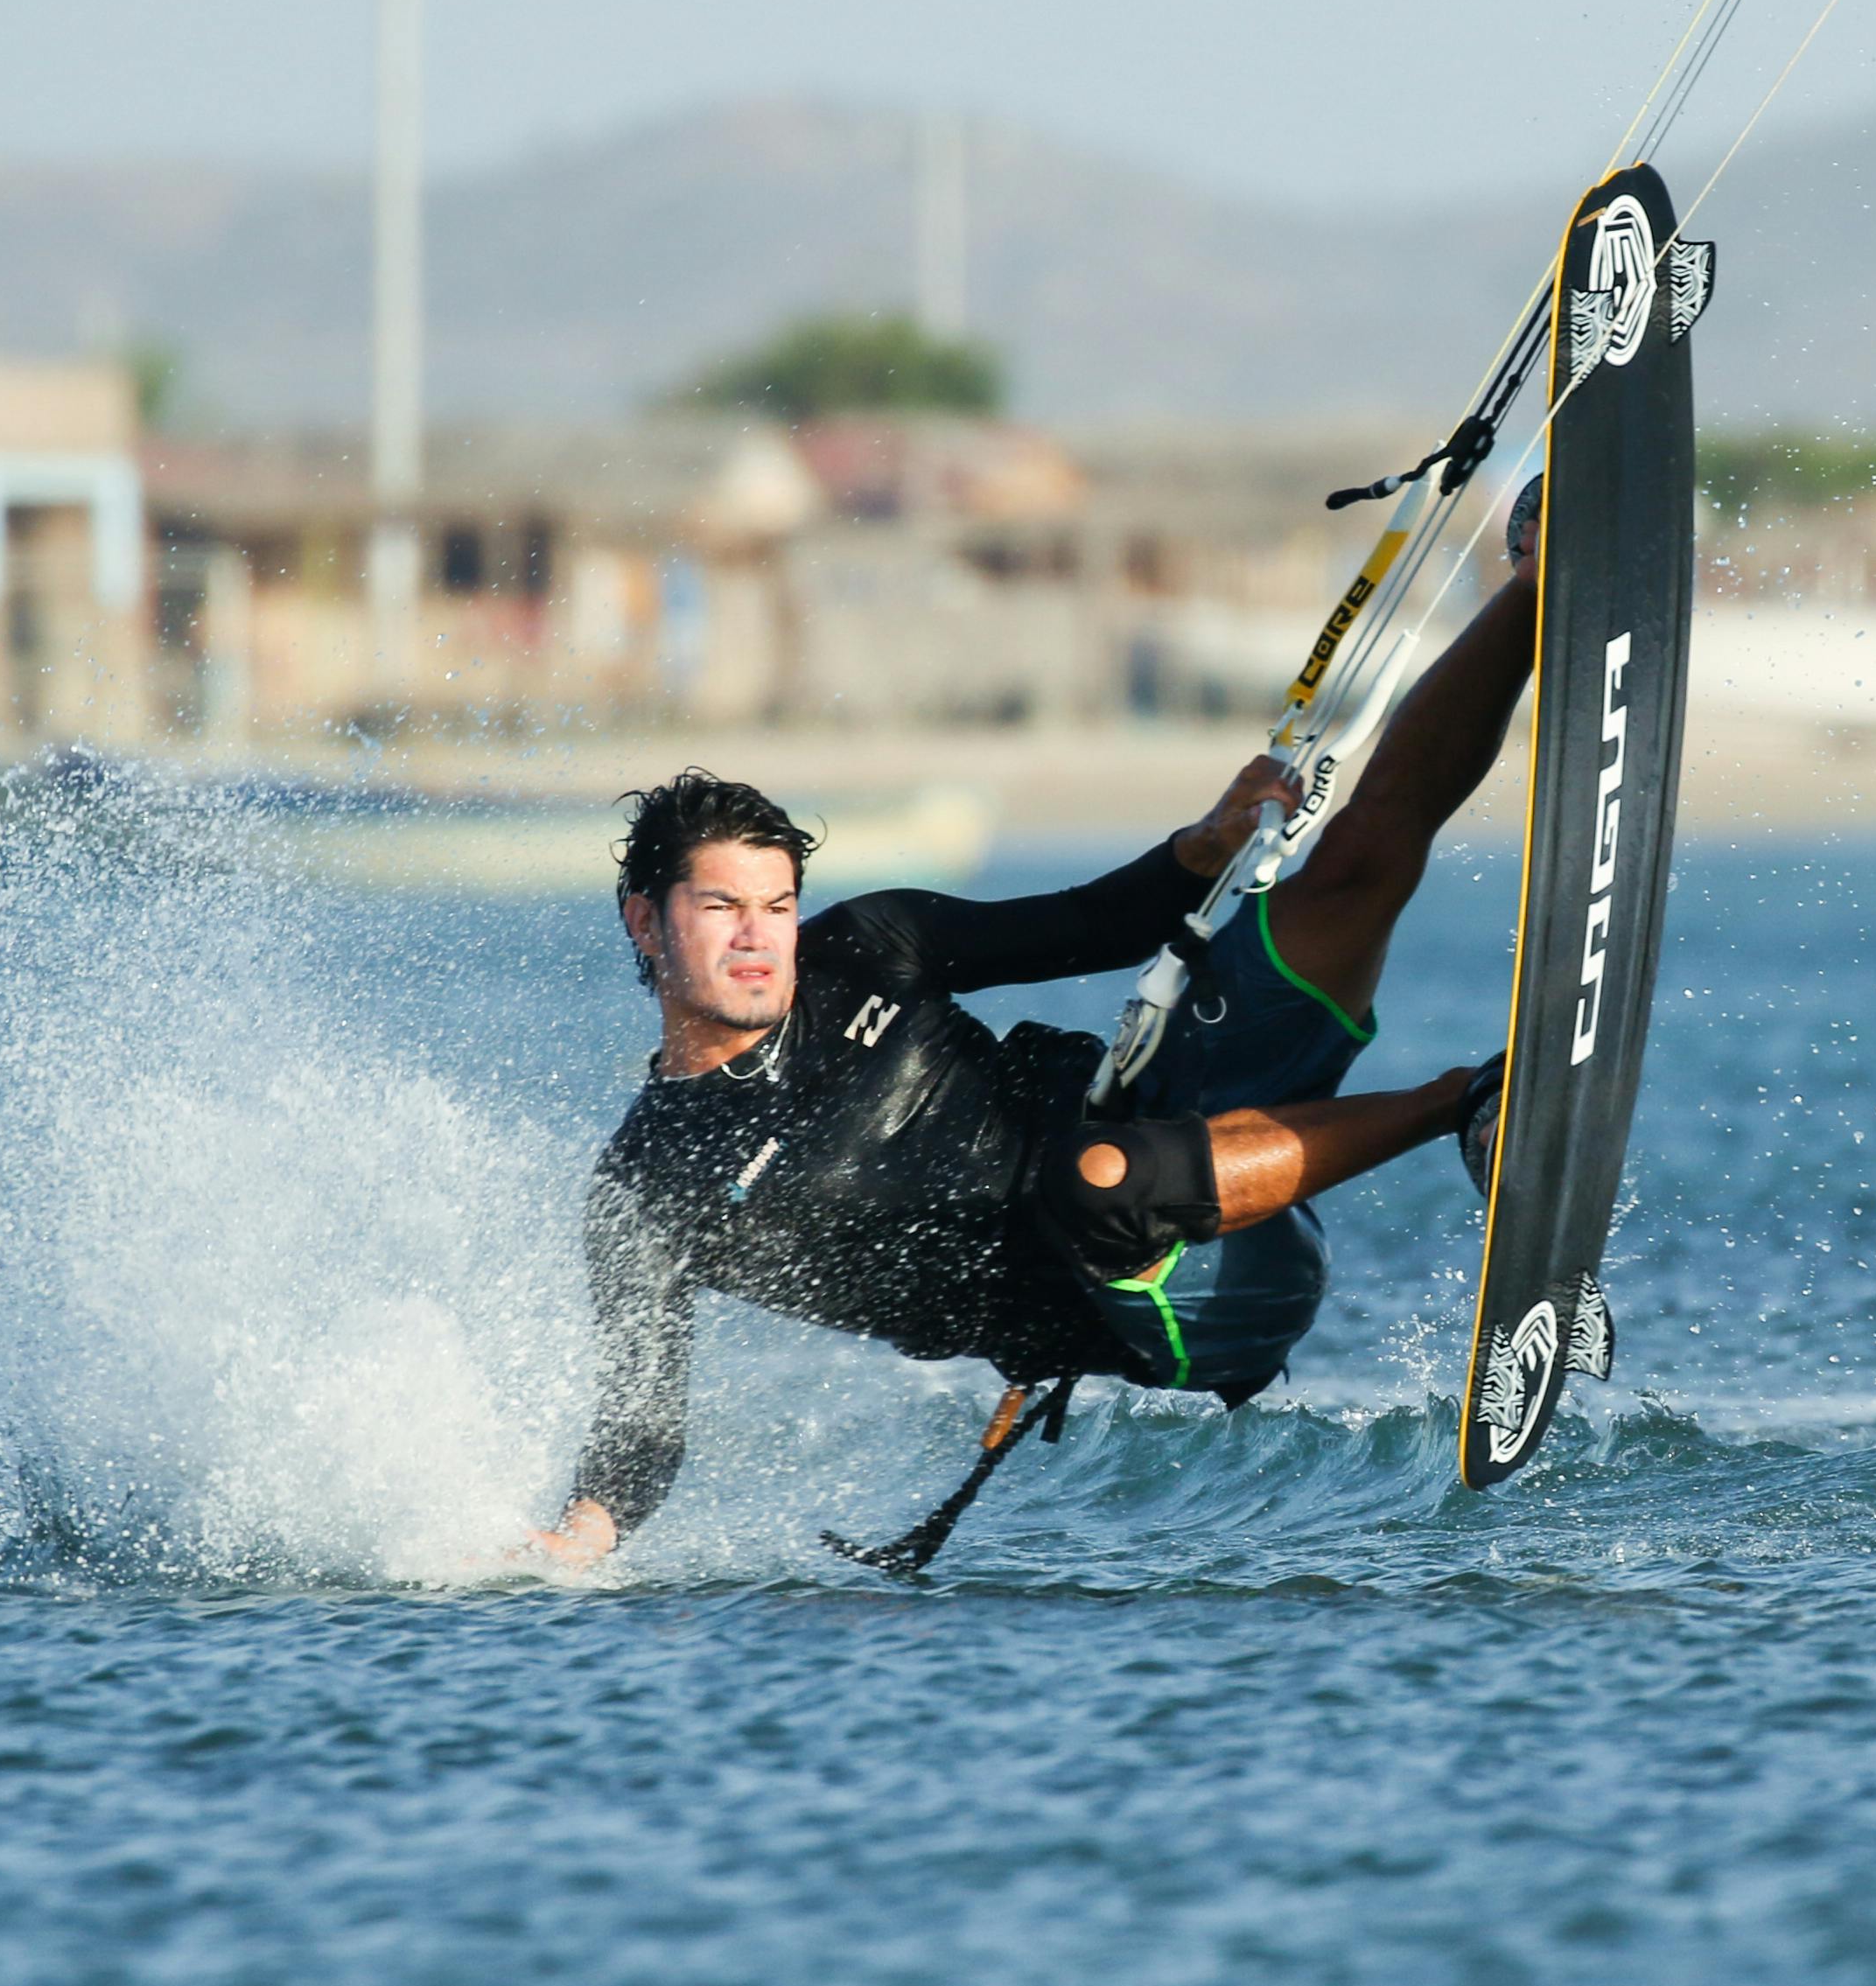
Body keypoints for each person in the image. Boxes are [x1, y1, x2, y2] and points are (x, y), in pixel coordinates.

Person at [525, 570, 1534, 1566]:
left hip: (1177, 1114)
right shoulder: (650, 1190)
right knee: (1091, 1181)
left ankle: (1539, 586)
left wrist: (1209, 841)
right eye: (720, 908)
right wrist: (576, 1538)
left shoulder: (867, 948)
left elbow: (1090, 923)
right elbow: (641, 1424)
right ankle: (1469, 1100)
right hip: (1169, 1294)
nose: (759, 938)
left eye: (777, 906)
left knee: (1351, 870)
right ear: (646, 922)